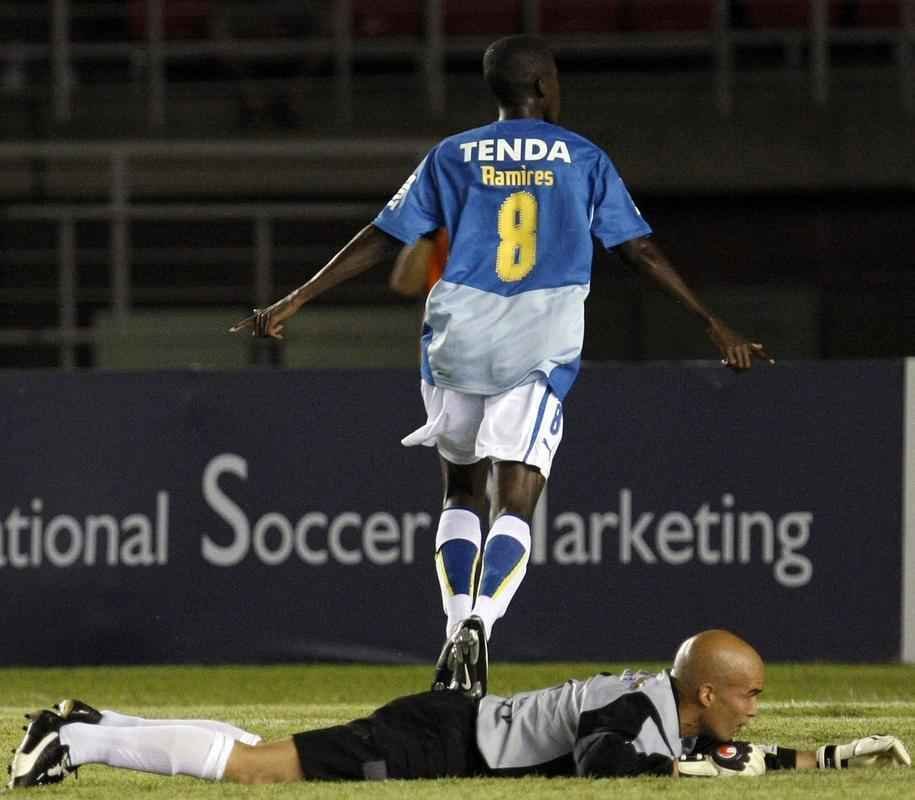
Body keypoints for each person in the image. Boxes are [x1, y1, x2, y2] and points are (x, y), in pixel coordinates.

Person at [229, 35, 775, 696]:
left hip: (454, 336)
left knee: (459, 490)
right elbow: (638, 251)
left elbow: (383, 236)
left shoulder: (453, 154)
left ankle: (453, 626)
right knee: (513, 501)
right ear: (544, 87)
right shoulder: (581, 157)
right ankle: (481, 626)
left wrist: (294, 299)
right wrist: (708, 320)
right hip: (534, 340)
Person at [8, 629, 910, 788]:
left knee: (256, 747)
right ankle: (81, 743)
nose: (755, 709)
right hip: (437, 743)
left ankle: (87, 723)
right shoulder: (644, 711)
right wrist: (695, 772)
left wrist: (823, 760)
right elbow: (607, 761)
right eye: (747, 696)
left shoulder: (664, 710)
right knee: (255, 766)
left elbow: (696, 754)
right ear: (704, 691)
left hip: (447, 727)